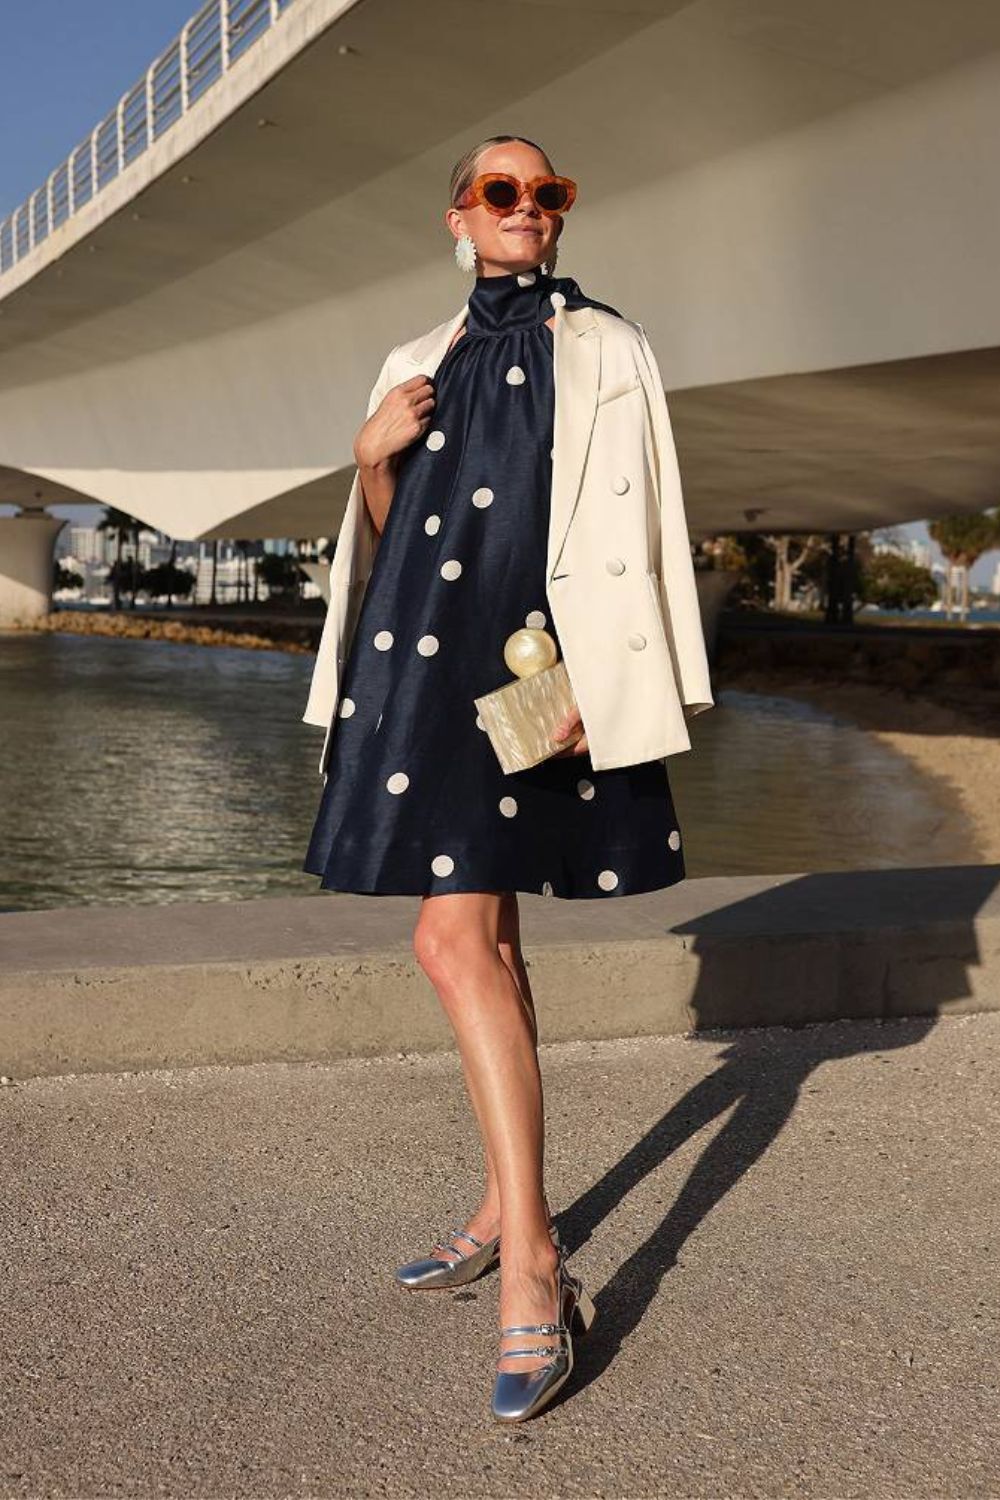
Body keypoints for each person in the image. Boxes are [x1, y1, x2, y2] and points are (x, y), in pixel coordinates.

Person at [302, 134, 714, 1422]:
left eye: (546, 193)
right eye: (501, 191)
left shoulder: (611, 349)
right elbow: (384, 545)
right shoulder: (413, 360)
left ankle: (533, 1265)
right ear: (459, 219)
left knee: (452, 941)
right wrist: (369, 456)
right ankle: (502, 1205)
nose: (525, 208)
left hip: (539, 675)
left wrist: (611, 678)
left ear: (560, 219)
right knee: (490, 934)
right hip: (423, 674)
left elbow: (645, 525)